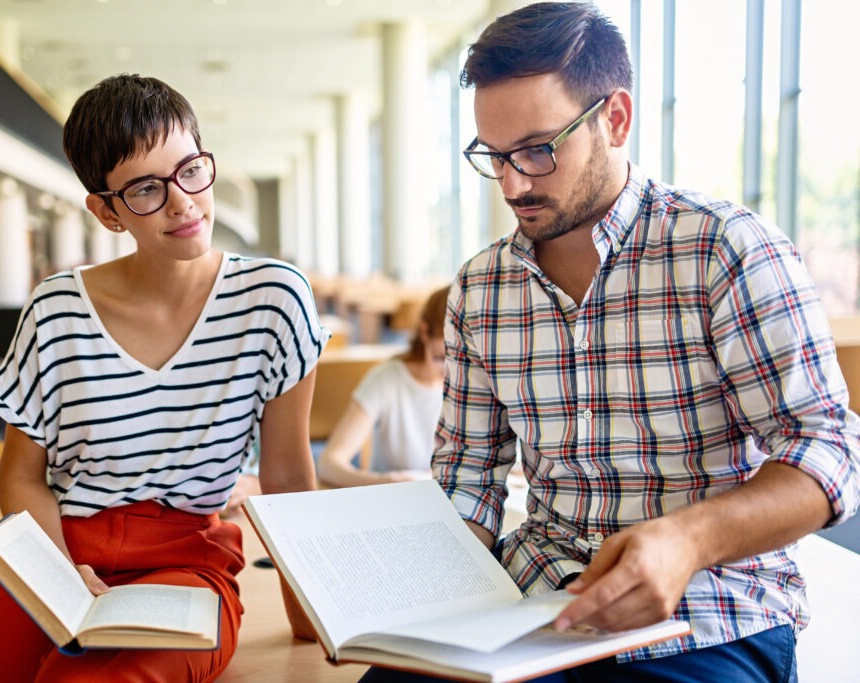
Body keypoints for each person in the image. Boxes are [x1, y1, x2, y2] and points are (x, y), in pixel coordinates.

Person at [361, 3, 860, 682]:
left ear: (615, 118)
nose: (513, 184)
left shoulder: (724, 251)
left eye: (539, 149)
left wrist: (687, 538)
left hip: (710, 613)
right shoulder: (481, 288)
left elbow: (830, 450)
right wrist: (400, 599)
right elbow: (467, 483)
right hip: (533, 606)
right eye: (494, 156)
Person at [0, 74, 328, 682]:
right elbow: (21, 475)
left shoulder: (275, 298)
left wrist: (312, 615)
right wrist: (61, 574)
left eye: (190, 169)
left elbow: (290, 474)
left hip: (188, 559)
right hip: (64, 546)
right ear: (107, 211)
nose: (183, 201)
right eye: (145, 189)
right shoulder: (57, 309)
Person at [317, 286, 450, 488]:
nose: (452, 373)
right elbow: (328, 464)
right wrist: (383, 483)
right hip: (394, 502)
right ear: (424, 333)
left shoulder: (476, 384)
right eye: (441, 358)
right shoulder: (387, 380)